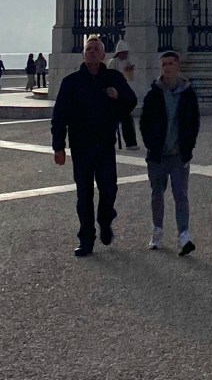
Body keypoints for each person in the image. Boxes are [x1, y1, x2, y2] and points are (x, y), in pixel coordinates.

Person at [51, 34, 137, 257]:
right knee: (84, 195)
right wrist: (58, 146)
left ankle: (105, 220)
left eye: (96, 49)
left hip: (105, 145)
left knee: (109, 189)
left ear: (103, 55)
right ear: (83, 54)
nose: (92, 52)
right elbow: (59, 116)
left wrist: (117, 96)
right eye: (88, 49)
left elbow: (131, 101)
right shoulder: (70, 82)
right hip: (80, 147)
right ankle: (86, 239)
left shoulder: (114, 77)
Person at [139, 50, 200, 256]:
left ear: (177, 66)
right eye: (164, 64)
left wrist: (188, 148)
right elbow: (144, 122)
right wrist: (150, 144)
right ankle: (157, 230)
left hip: (179, 154)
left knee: (180, 195)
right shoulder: (153, 94)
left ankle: (184, 235)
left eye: (171, 63)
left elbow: (194, 123)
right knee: (157, 194)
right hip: (157, 154)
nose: (167, 67)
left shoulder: (188, 94)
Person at [107, 41, 138, 149]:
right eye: (124, 52)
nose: (125, 55)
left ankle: (131, 143)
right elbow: (111, 78)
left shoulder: (127, 62)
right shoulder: (113, 62)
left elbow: (130, 79)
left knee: (127, 117)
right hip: (114, 94)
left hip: (123, 94)